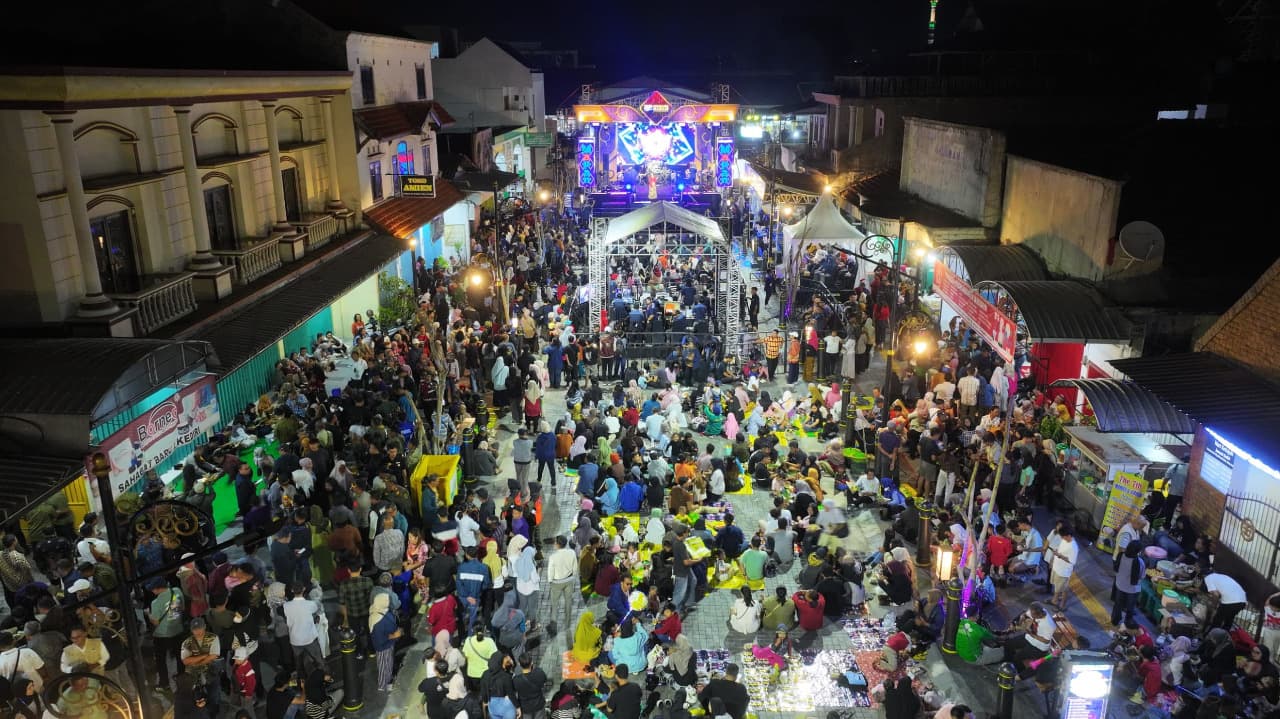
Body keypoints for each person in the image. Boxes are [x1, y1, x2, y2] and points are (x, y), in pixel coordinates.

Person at [1111, 541, 1145, 627]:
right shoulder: (1139, 561)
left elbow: (1116, 568)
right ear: (1138, 551)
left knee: (1118, 603)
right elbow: (1142, 576)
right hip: (1132, 589)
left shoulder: (1121, 555)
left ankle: (1115, 620)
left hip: (1119, 584)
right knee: (1130, 607)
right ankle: (1128, 623)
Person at [1046, 526, 1077, 609]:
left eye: (1063, 536)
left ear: (1069, 535)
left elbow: (1071, 561)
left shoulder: (1073, 547)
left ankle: (1062, 605)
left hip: (1063, 572)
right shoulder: (1064, 540)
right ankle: (1054, 600)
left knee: (1063, 589)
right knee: (1057, 587)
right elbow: (1059, 549)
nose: (1062, 538)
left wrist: (1060, 556)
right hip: (1056, 567)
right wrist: (1052, 560)